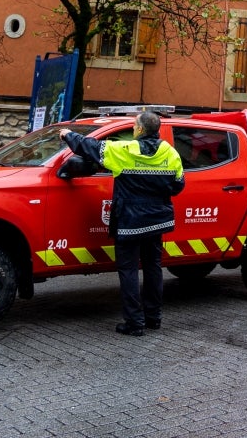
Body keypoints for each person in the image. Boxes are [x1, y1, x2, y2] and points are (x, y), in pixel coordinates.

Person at [59, 111, 185, 337]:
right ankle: (153, 318)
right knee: (153, 267)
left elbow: (90, 147)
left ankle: (134, 323)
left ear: (139, 129)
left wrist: (68, 134)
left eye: (135, 126)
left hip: (130, 221)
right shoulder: (171, 153)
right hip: (156, 221)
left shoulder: (125, 150)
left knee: (128, 270)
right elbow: (178, 186)